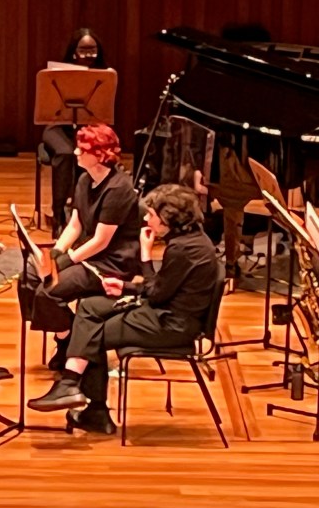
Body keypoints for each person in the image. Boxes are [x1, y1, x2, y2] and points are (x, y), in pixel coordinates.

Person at [27, 184, 222, 435]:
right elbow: (161, 288)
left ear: (168, 218)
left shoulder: (183, 250)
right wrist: (125, 286)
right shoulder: (191, 239)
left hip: (171, 325)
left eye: (151, 214)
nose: (146, 219)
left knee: (91, 333)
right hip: (165, 311)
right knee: (89, 306)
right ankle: (73, 388)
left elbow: (157, 294)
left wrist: (145, 255)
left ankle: (90, 405)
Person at [29, 123, 142, 369]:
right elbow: (75, 224)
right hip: (89, 254)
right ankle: (68, 336)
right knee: (28, 277)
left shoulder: (118, 188)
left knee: (48, 290)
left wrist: (65, 261)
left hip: (110, 263)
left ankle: (71, 342)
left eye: (83, 149)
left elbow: (101, 241)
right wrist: (56, 253)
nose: (76, 152)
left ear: (100, 155)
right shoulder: (84, 179)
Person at [41, 28, 108, 238]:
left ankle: (85, 212)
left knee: (89, 152)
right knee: (66, 152)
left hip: (88, 126)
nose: (88, 55)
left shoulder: (105, 76)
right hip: (57, 126)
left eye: (93, 50)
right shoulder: (59, 75)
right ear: (73, 51)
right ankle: (59, 214)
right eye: (83, 50)